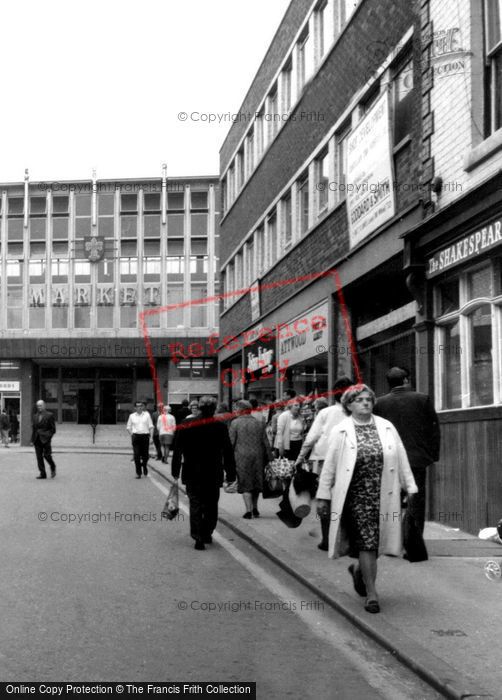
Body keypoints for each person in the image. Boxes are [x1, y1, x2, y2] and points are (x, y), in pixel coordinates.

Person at [316, 384, 417, 614]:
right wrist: (323, 496)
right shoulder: (340, 431)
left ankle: (360, 571)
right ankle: (372, 594)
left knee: (377, 543)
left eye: (368, 399)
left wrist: (410, 486)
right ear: (349, 404)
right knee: (368, 542)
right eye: (359, 400)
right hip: (355, 497)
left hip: (384, 494)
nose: (365, 403)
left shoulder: (386, 427)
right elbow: (329, 466)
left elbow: (401, 457)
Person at [373, 367, 440, 537]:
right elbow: (434, 429)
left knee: (391, 497)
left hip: (389, 459)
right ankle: (413, 540)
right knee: (416, 499)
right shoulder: (422, 399)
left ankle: (391, 538)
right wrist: (432, 455)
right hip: (416, 459)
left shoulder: (379, 403)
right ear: (406, 380)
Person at [295, 377, 353, 550]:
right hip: (349, 459)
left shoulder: (325, 413)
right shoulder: (357, 413)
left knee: (325, 498)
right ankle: (346, 539)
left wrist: (299, 458)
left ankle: (327, 540)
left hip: (323, 460)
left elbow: (311, 438)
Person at [171, 396, 236, 550]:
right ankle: (207, 533)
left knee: (195, 504)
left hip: (192, 471)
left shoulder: (187, 424)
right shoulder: (220, 427)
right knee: (211, 504)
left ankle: (197, 536)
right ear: (214, 409)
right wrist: (231, 473)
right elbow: (227, 452)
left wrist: (175, 471)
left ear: (199, 407)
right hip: (213, 472)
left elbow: (177, 449)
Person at [229, 400, 273, 519]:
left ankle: (248, 511)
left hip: (241, 457)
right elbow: (266, 442)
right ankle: (255, 508)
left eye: (236, 409)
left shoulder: (235, 423)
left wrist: (227, 459)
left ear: (241, 410)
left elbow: (231, 442)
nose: (235, 411)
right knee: (256, 482)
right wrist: (270, 459)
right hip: (258, 456)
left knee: (245, 483)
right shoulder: (259, 423)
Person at [126, 401, 154, 478]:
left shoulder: (147, 415)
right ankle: (138, 473)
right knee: (136, 455)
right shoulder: (131, 416)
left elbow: (151, 427)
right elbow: (128, 427)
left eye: (141, 406)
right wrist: (132, 434)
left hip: (145, 437)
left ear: (143, 407)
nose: (140, 407)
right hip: (136, 437)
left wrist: (151, 438)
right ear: (135, 408)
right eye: (138, 406)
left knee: (146, 455)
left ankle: (144, 466)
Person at [31, 400, 57, 479]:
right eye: (38, 406)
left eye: (40, 405)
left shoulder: (50, 415)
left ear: (44, 406)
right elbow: (34, 429)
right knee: (39, 457)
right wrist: (32, 440)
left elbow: (53, 429)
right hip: (37, 439)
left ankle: (52, 466)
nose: (39, 407)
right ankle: (43, 473)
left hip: (46, 439)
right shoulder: (35, 416)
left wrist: (48, 436)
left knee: (47, 455)